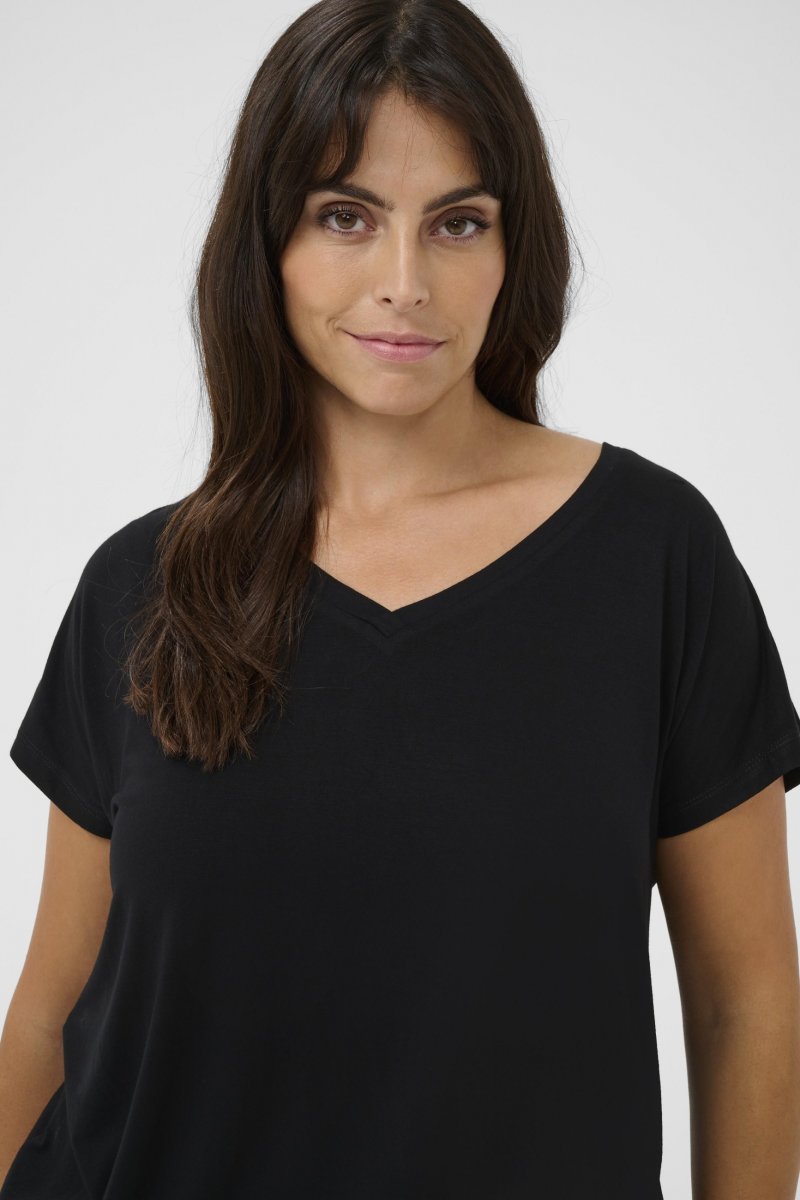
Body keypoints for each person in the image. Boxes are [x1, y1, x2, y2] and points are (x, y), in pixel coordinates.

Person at [2, 0, 799, 1196]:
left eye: (456, 223)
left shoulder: (653, 557)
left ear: (512, 247)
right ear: (267, 244)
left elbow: (745, 1001)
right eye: (345, 216)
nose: (404, 283)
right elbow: (50, 1007)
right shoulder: (144, 582)